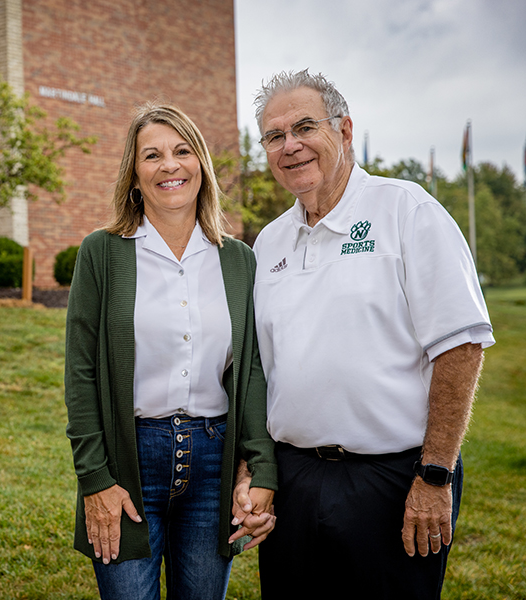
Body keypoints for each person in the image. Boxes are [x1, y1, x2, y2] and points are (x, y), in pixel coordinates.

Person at [248, 69, 495, 598]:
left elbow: (461, 345)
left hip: (393, 480)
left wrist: (434, 476)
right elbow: (257, 371)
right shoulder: (268, 243)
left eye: (304, 127)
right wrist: (256, 469)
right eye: (274, 136)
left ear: (344, 130)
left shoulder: (408, 211)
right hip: (293, 481)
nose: (289, 146)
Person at [64, 102, 278, 600]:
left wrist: (260, 466)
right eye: (152, 155)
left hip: (212, 463)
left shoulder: (239, 261)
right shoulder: (102, 252)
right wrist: (95, 479)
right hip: (129, 461)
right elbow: (81, 373)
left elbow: (250, 371)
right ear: (134, 176)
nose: (169, 165)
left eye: (182, 151)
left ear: (200, 165)